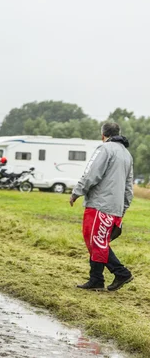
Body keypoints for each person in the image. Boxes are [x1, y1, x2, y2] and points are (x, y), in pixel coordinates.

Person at [70, 122, 134, 291]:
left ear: (103, 135)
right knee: (100, 242)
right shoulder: (127, 155)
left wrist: (77, 191)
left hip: (99, 205)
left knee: (96, 241)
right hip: (115, 207)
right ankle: (97, 279)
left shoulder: (104, 149)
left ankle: (119, 273)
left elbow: (92, 173)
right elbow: (129, 186)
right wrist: (123, 208)